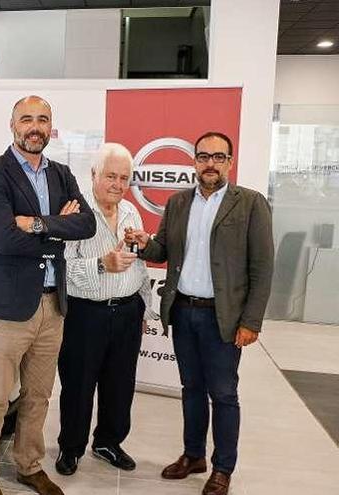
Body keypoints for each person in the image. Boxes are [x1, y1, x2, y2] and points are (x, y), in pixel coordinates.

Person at [124, 132, 274, 495]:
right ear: (194, 161)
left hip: (222, 317)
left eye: (218, 157)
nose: (210, 163)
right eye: (204, 156)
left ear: (229, 162)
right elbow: (163, 251)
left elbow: (263, 267)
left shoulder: (250, 203)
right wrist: (146, 244)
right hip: (183, 312)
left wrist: (251, 321)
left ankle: (223, 468)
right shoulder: (178, 203)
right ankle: (194, 456)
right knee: (191, 389)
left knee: (223, 394)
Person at [0, 95, 96, 495]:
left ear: (51, 128)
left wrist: (37, 224)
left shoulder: (61, 174)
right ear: (12, 125)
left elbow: (88, 224)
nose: (35, 127)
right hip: (8, 306)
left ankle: (28, 465)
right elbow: (4, 239)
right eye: (27, 119)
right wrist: (58, 229)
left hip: (52, 304)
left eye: (43, 120)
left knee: (39, 395)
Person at [55, 143, 156, 476]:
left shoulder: (130, 211)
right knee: (78, 386)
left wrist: (143, 306)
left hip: (127, 312)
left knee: (120, 385)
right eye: (111, 176)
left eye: (124, 178)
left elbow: (138, 263)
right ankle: (71, 448)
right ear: (94, 174)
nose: (117, 184)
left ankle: (108, 442)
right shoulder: (75, 211)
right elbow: (63, 269)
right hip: (86, 314)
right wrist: (102, 264)